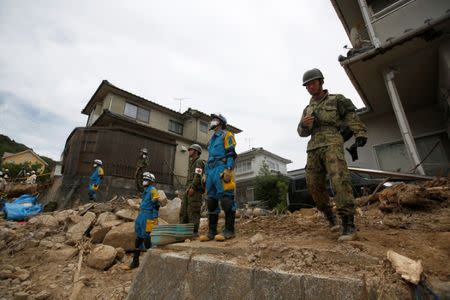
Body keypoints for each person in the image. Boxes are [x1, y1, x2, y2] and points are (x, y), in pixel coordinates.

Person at [298, 68, 367, 242]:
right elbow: (300, 132)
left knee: (339, 180)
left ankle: (349, 224)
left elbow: (352, 116)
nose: (310, 87)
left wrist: (360, 133)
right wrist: (304, 125)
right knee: (313, 185)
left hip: (332, 141)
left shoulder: (337, 100)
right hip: (313, 147)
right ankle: (330, 217)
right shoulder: (307, 109)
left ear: (321, 82)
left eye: (313, 83)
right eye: (307, 85)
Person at [199, 113, 237, 242]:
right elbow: (209, 157)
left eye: (214, 120)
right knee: (211, 201)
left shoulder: (227, 135)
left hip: (222, 169)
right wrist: (205, 174)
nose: (212, 122)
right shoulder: (212, 140)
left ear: (220, 123)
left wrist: (229, 169)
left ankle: (229, 231)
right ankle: (211, 232)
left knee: (227, 200)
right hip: (211, 171)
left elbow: (231, 153)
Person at [130, 172, 160, 269]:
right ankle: (135, 262)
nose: (144, 181)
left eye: (146, 180)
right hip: (141, 214)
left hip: (148, 216)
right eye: (144, 179)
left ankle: (151, 263)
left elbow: (156, 204)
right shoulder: (146, 190)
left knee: (147, 238)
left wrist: (155, 217)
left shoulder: (153, 190)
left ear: (151, 181)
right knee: (138, 238)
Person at [179, 144, 205, 237]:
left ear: (196, 151)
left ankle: (194, 232)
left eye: (191, 150)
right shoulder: (191, 163)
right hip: (188, 188)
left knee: (193, 210)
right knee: (184, 209)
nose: (189, 151)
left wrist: (193, 187)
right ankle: (183, 230)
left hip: (195, 190)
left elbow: (198, 176)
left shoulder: (199, 162)